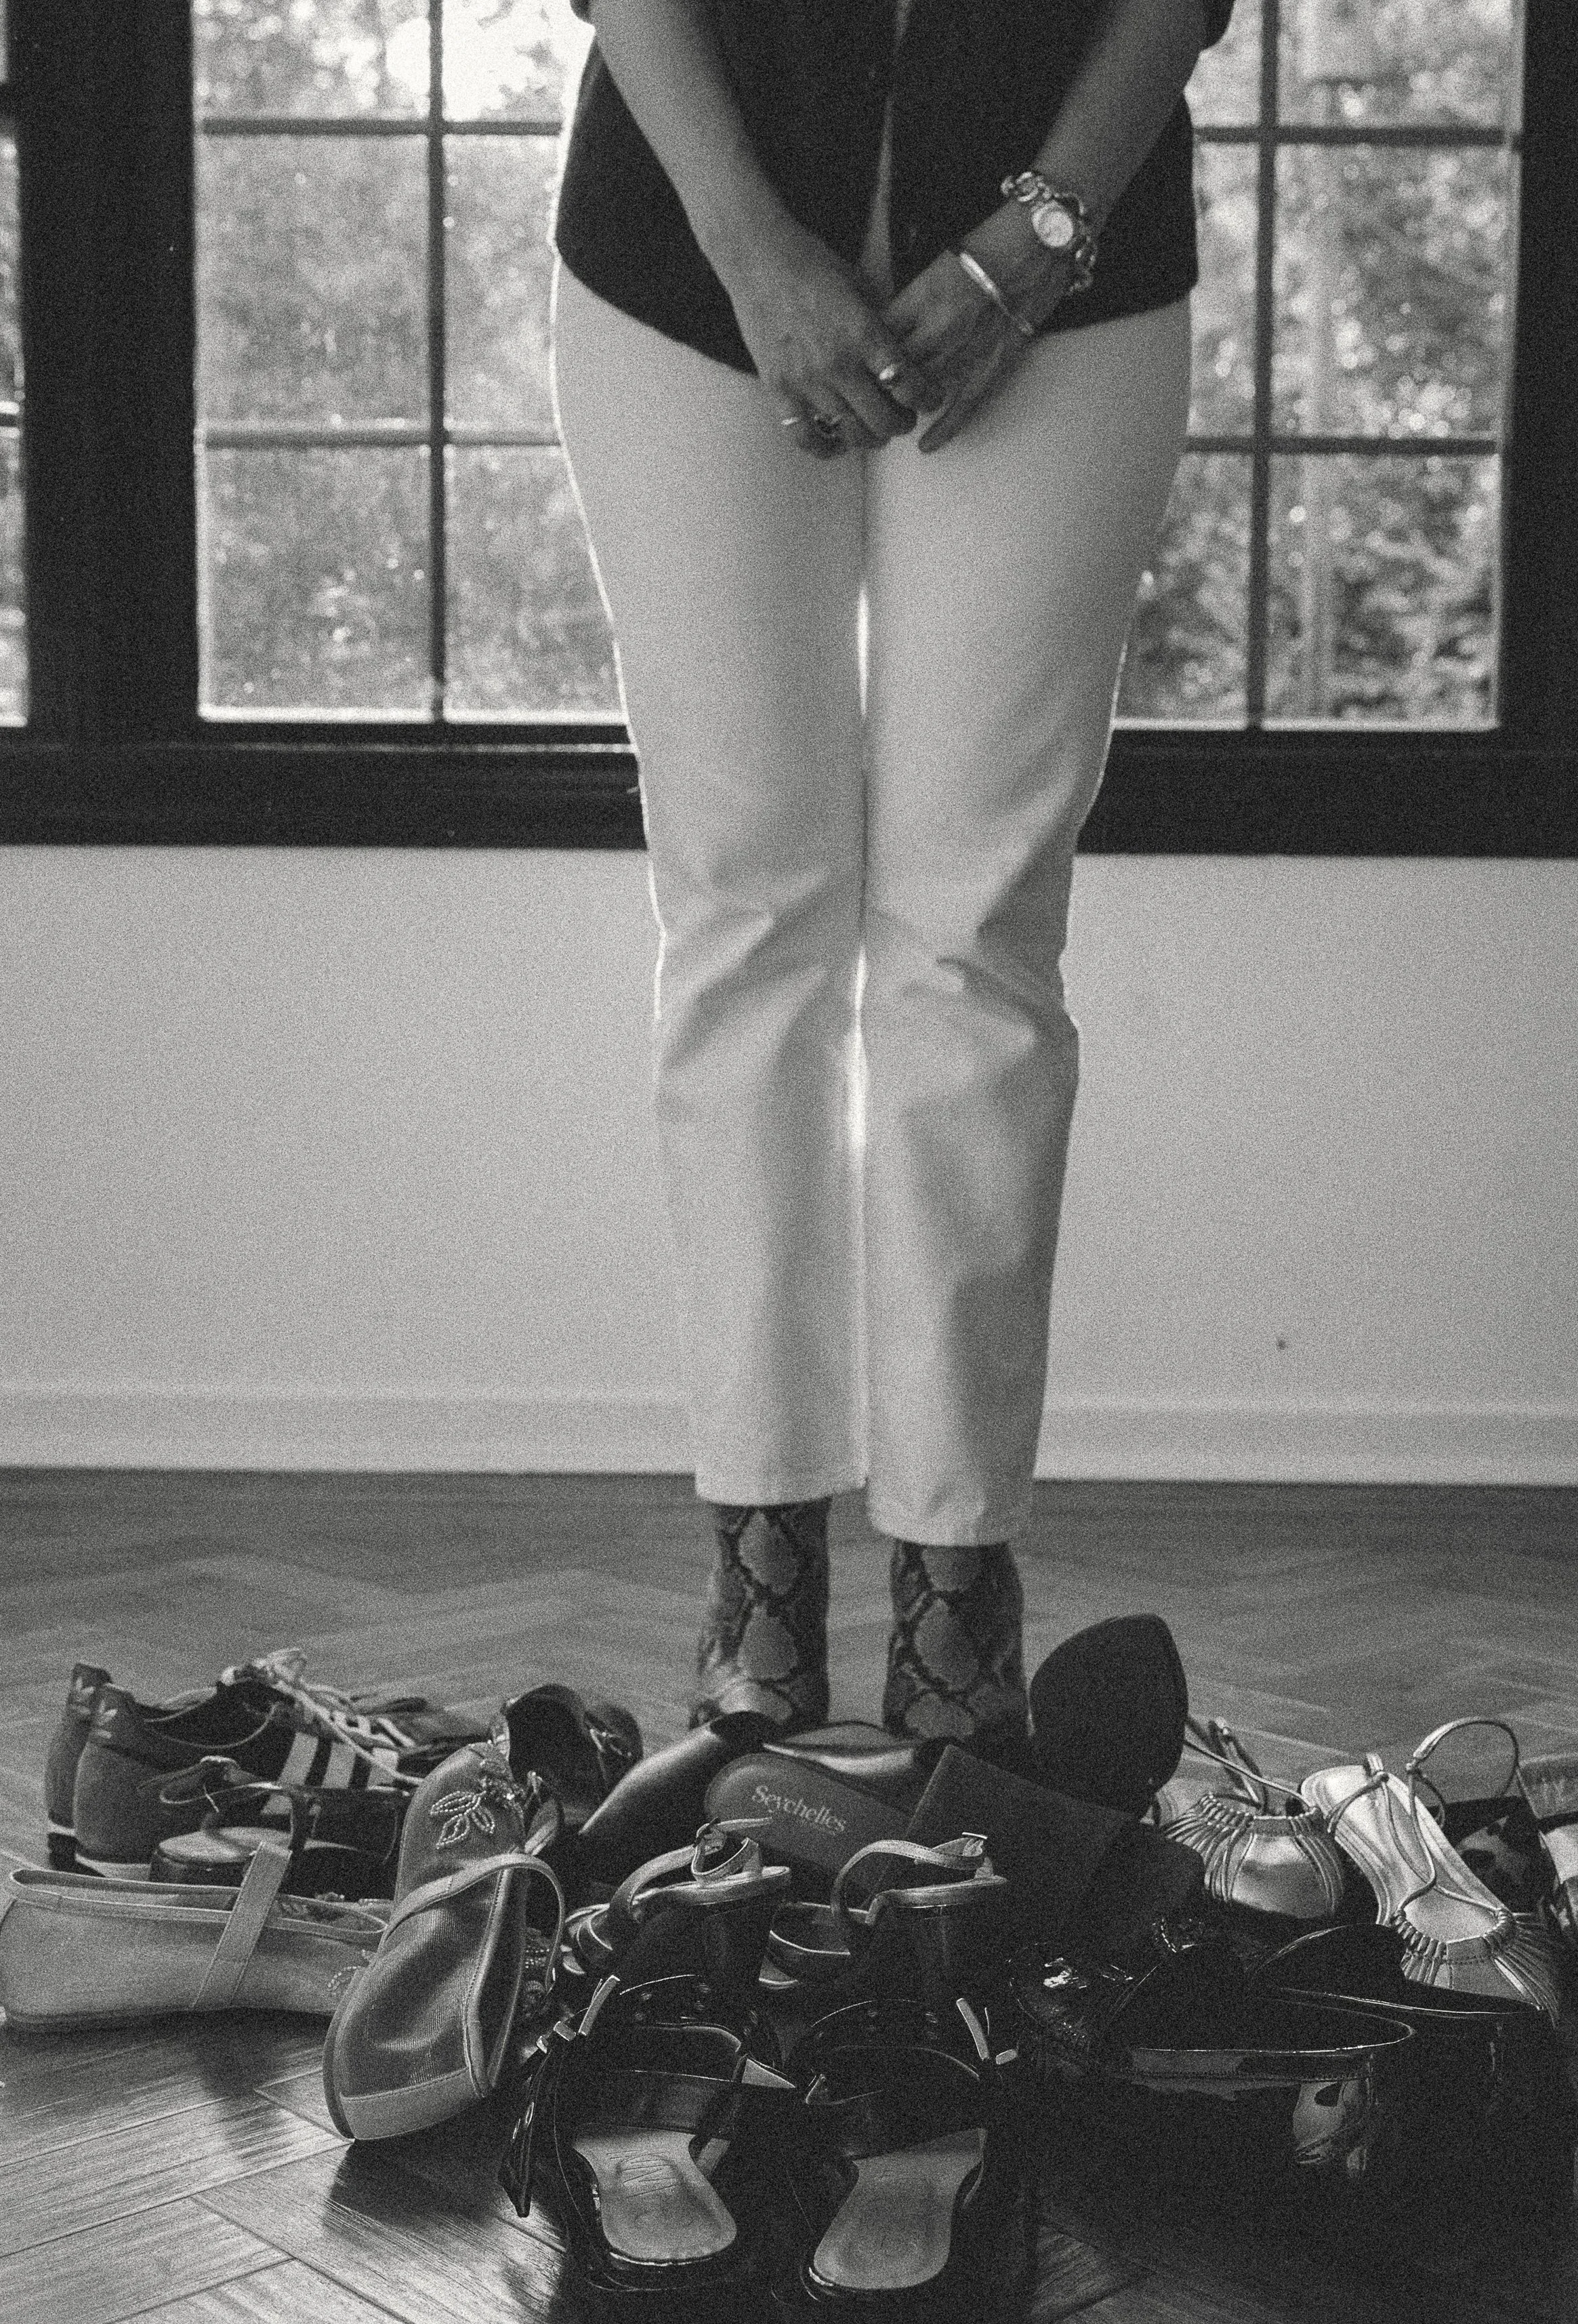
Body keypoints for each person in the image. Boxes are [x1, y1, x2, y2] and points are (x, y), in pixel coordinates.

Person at [550, 0, 1232, 1749]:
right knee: (745, 924)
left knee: (975, 943)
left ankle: (956, 1592)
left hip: (1072, 289)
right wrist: (749, 247)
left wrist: (1041, 232)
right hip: (680, 280)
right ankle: (761, 1587)